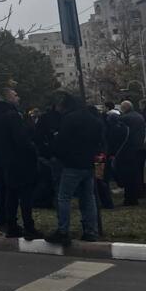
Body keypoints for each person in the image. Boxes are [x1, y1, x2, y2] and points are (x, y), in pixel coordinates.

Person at [45, 93, 103, 246]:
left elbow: (61, 142)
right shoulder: (93, 119)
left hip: (71, 165)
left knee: (64, 197)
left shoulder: (69, 119)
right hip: (88, 164)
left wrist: (58, 155)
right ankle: (91, 231)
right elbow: (100, 140)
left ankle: (63, 231)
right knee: (88, 198)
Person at [0, 88, 43, 239]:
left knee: (10, 194)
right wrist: (32, 148)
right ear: (8, 98)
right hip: (21, 162)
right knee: (25, 196)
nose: (18, 97)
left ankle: (11, 225)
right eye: (15, 95)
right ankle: (29, 227)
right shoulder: (13, 116)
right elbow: (21, 140)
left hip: (5, 161)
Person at [116, 100, 145, 206]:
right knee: (137, 173)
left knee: (128, 174)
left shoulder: (124, 118)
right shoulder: (139, 116)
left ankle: (130, 198)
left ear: (124, 108)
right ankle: (138, 194)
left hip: (128, 149)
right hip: (139, 148)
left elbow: (119, 134)